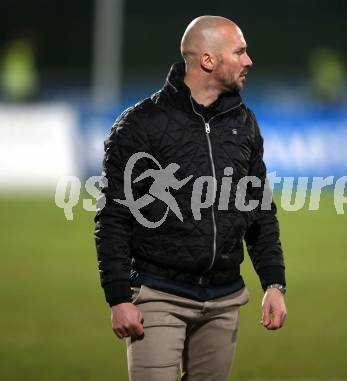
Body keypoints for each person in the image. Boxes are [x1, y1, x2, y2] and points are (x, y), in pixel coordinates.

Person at [94, 15, 287, 381]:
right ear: (208, 61)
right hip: (158, 294)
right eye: (240, 51)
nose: (249, 61)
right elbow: (113, 218)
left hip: (225, 298)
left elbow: (260, 211)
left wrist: (273, 284)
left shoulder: (244, 123)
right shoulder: (140, 125)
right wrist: (119, 297)